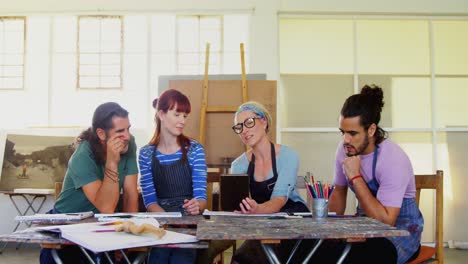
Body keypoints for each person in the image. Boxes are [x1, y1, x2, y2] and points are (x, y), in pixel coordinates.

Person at [314, 85, 423, 264]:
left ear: (371, 130)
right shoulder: (344, 150)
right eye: (343, 132)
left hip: (399, 232)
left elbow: (386, 222)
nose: (345, 140)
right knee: (320, 251)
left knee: (364, 257)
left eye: (352, 133)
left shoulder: (392, 159)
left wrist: (356, 177)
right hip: (364, 226)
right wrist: (330, 231)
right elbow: (339, 193)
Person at [40, 102, 139, 263]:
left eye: (128, 128)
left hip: (102, 221)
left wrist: (128, 236)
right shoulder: (82, 156)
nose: (127, 136)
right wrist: (112, 163)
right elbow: (106, 207)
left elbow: (130, 194)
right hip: (69, 222)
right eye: (120, 131)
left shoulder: (129, 142)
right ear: (101, 134)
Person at [229, 101, 311, 264]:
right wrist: (243, 209)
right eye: (239, 127)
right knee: (241, 258)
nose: (244, 131)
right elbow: (241, 206)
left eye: (249, 123)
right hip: (263, 222)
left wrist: (257, 209)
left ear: (264, 121)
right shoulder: (238, 165)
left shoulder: (289, 156)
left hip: (293, 220)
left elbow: (280, 199)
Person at [138, 89, 207, 264]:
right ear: (161, 114)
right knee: (158, 258)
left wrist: (196, 206)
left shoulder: (195, 149)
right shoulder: (146, 154)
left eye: (185, 116)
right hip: (161, 223)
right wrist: (170, 223)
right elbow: (150, 202)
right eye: (177, 115)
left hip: (189, 223)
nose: (182, 121)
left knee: (182, 258)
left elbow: (201, 198)